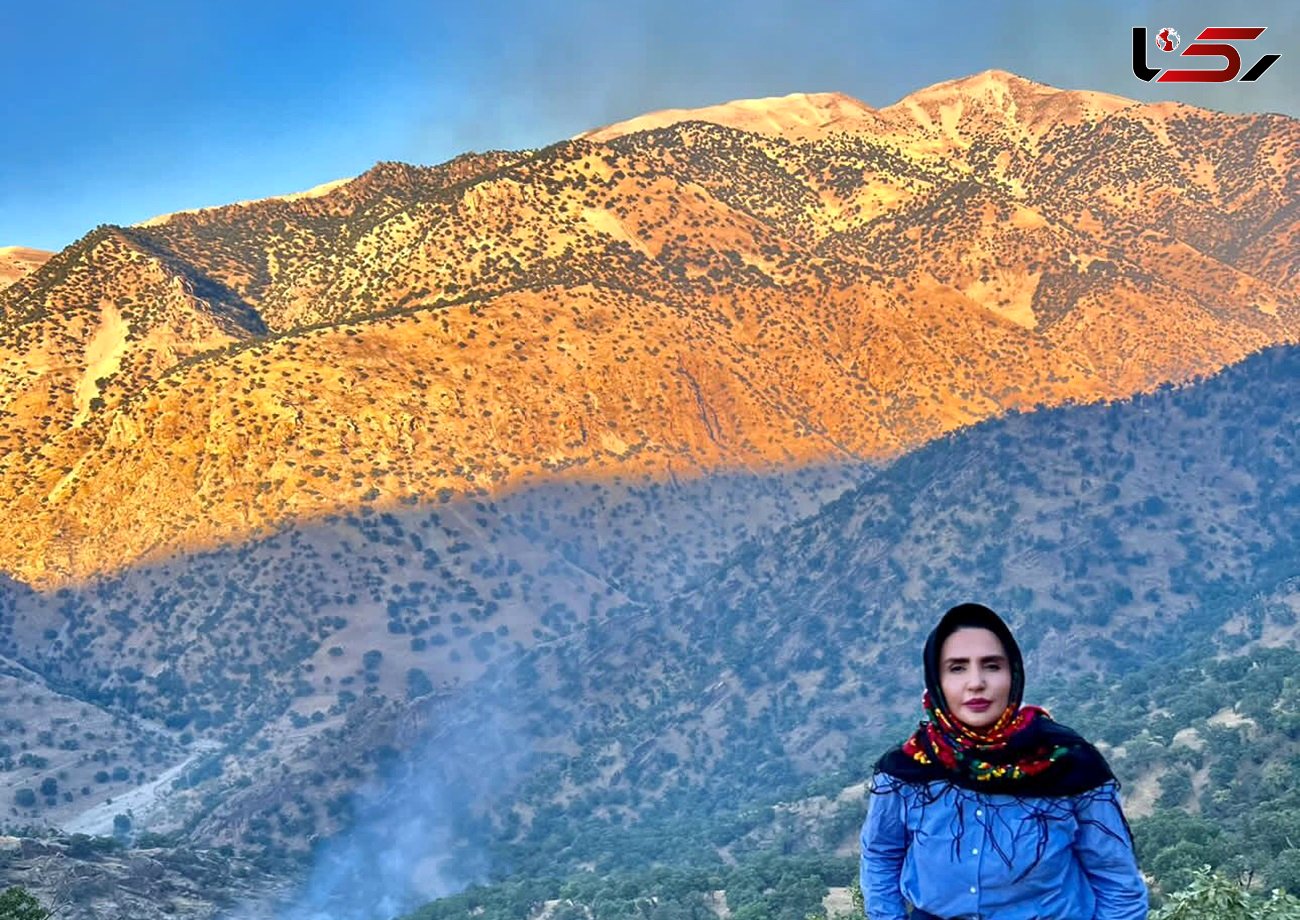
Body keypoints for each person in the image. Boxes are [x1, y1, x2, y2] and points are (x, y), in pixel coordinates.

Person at [860, 602, 1148, 920]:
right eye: (957, 668)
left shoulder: (1068, 764)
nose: (976, 683)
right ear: (936, 680)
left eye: (992, 666)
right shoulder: (908, 769)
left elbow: (1117, 882)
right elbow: (881, 857)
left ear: (1013, 673)